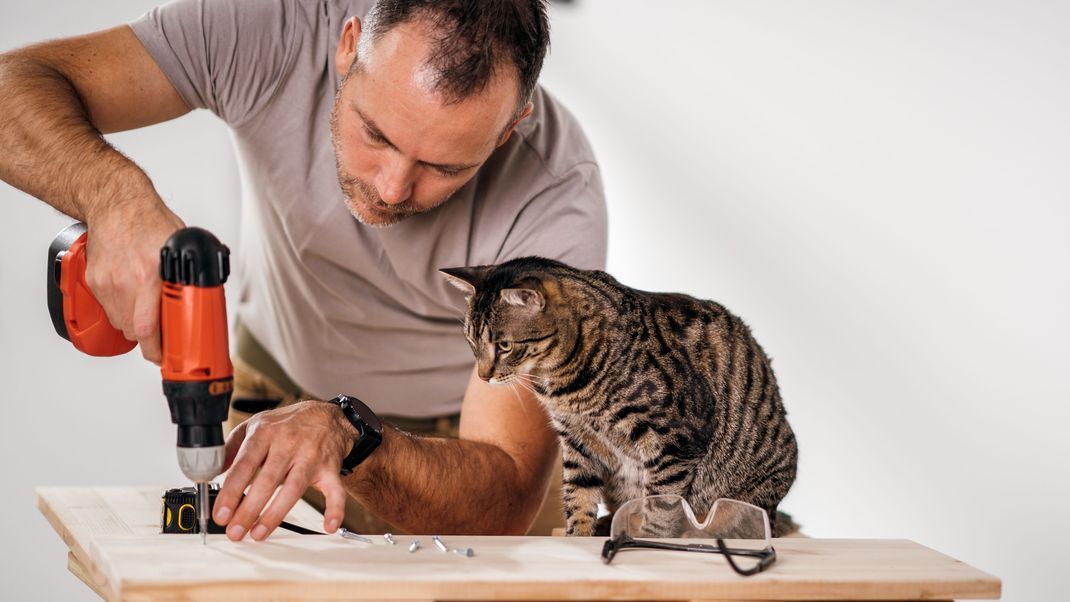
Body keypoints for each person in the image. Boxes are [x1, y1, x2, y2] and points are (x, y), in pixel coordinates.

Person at [0, 0, 606, 541]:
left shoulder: (555, 197)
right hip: (276, 388)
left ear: (508, 131)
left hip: (457, 449)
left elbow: (501, 495)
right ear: (347, 46)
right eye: (376, 133)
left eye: (444, 167)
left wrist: (351, 433)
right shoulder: (274, 27)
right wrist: (114, 197)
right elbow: (12, 84)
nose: (392, 187)